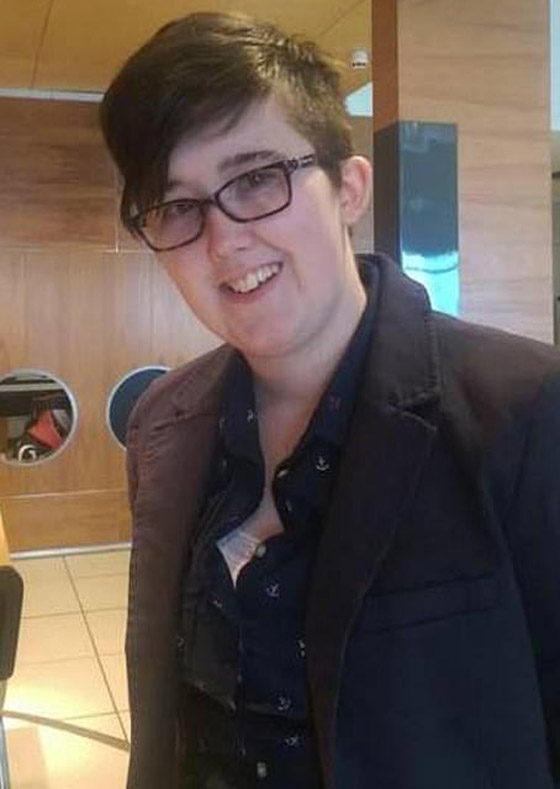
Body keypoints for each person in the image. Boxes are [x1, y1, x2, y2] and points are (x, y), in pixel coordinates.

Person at [100, 12, 560, 789]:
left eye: (256, 178)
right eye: (178, 206)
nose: (223, 241)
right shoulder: (162, 421)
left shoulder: (526, 412)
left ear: (349, 188)